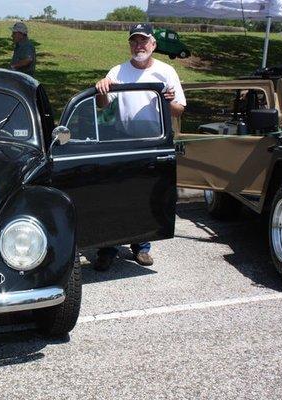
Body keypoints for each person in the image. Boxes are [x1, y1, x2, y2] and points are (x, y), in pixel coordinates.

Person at [93, 23, 186, 269]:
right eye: (134, 41)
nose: (139, 46)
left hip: (153, 144)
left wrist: (168, 102)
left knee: (144, 196)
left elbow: (180, 109)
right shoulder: (117, 71)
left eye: (143, 41)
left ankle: (142, 245)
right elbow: (103, 105)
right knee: (114, 197)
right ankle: (108, 247)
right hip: (122, 142)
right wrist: (101, 87)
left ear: (153, 44)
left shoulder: (166, 72)